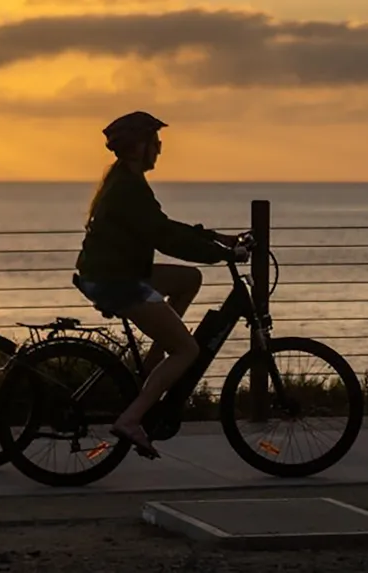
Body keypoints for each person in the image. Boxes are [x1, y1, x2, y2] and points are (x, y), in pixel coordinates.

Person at [73, 111, 248, 458]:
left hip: (120, 271)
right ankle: (132, 418)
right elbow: (165, 237)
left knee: (189, 279)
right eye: (155, 142)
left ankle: (154, 362)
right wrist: (220, 254)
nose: (160, 149)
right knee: (187, 350)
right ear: (139, 147)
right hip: (116, 281)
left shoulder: (127, 181)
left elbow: (162, 225)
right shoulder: (128, 189)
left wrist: (218, 239)